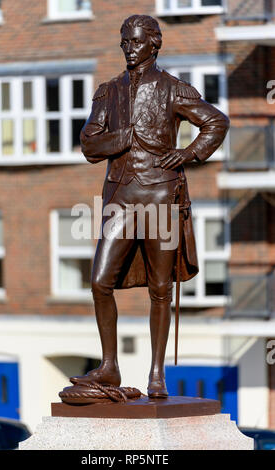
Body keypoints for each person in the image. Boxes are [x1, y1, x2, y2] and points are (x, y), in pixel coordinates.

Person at [73, 14, 229, 398]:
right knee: (99, 281)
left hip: (162, 196)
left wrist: (189, 153)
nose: (129, 48)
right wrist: (121, 137)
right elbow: (90, 145)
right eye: (124, 41)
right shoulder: (108, 92)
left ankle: (156, 373)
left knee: (161, 288)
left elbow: (216, 123)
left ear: (154, 44)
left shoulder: (174, 89)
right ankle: (109, 367)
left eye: (136, 41)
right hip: (120, 198)